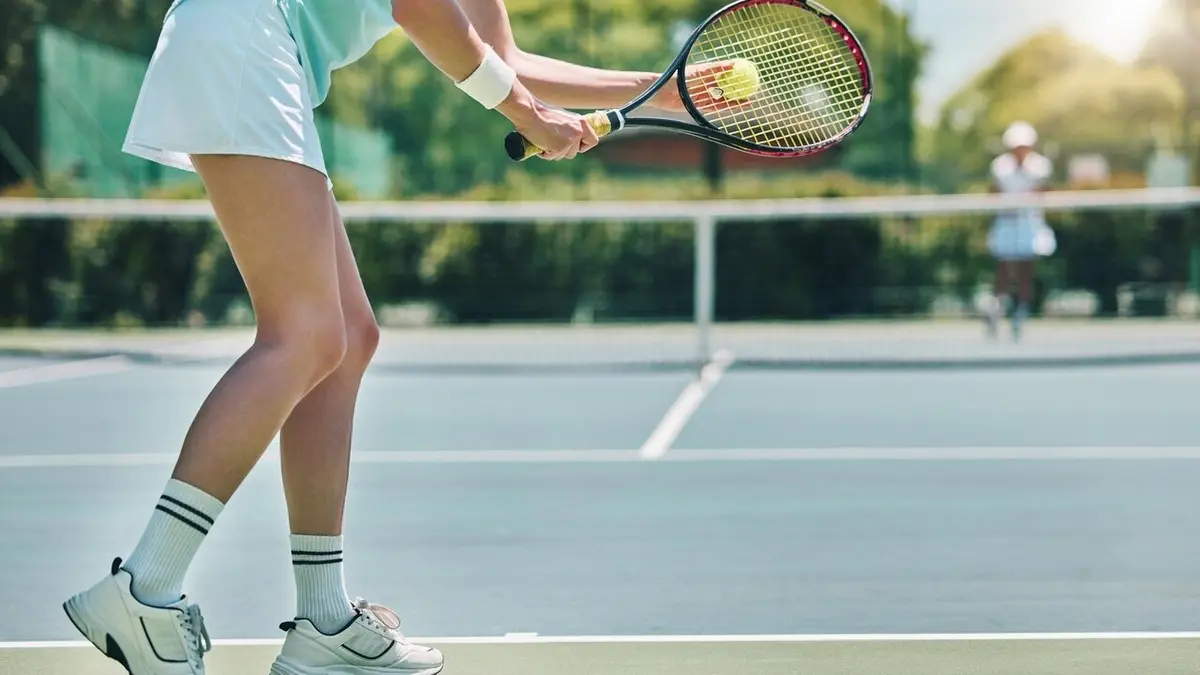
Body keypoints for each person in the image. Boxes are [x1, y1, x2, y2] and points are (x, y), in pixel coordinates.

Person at [61, 1, 714, 674]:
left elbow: (504, 60)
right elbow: (420, 7)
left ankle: (323, 619)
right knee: (305, 337)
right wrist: (527, 114)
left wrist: (662, 91)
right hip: (244, 42)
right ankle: (144, 588)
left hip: (256, 55)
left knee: (346, 340)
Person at [982, 121, 1056, 341]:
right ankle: (997, 309)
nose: (1020, 150)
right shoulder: (999, 167)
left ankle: (1020, 314)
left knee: (1026, 269)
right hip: (1006, 222)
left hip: (1029, 223)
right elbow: (993, 192)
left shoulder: (1040, 166)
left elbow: (1043, 192)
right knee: (1003, 268)